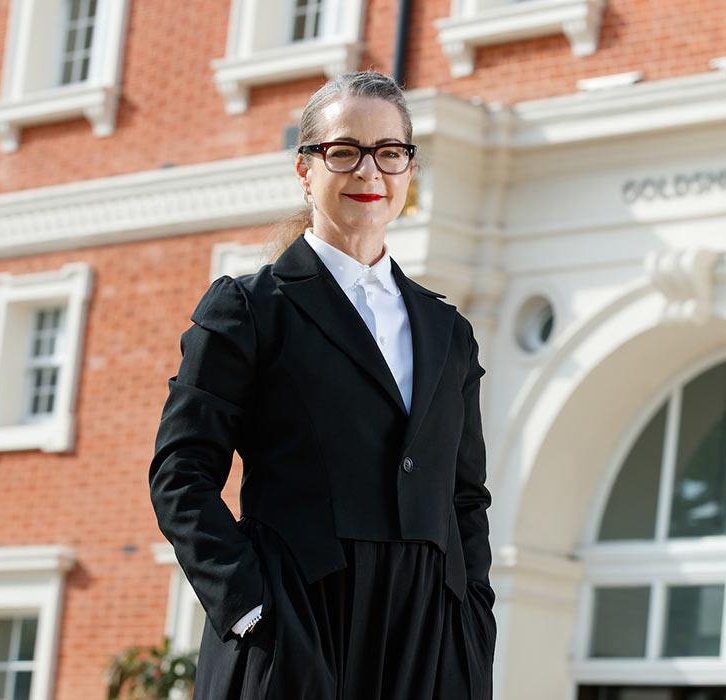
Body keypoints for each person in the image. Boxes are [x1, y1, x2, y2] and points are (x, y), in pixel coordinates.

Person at [148, 70, 496, 699]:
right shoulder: (251, 309)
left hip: (429, 638)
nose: (370, 172)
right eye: (345, 152)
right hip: (299, 622)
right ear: (306, 169)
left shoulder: (449, 331)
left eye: (390, 152)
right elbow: (181, 473)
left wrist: (472, 623)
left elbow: (465, 496)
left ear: (409, 170)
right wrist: (250, 607)